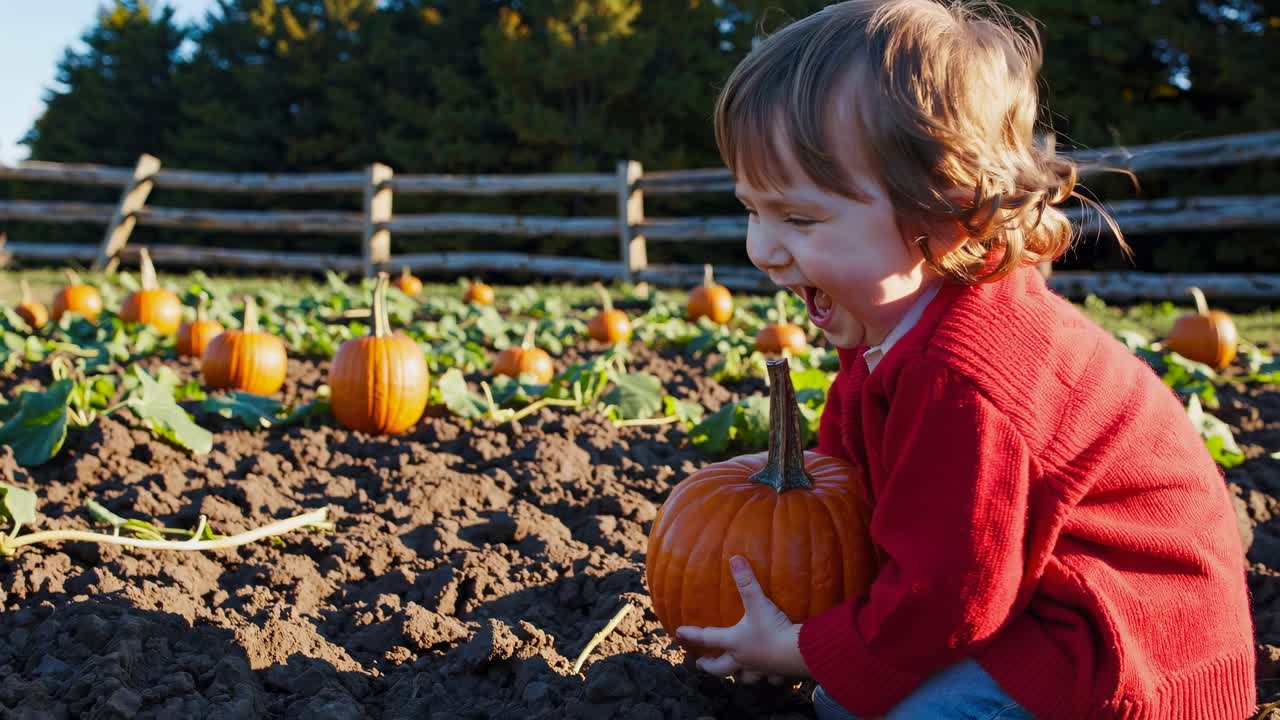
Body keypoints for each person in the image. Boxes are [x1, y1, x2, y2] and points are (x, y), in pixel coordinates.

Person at [673, 1, 1257, 718]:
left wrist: (796, 649)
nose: (761, 249)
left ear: (945, 217)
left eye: (798, 218)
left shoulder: (963, 378)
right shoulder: (885, 325)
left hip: (1121, 650)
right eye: (751, 210)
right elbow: (855, 494)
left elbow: (950, 597)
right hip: (1040, 606)